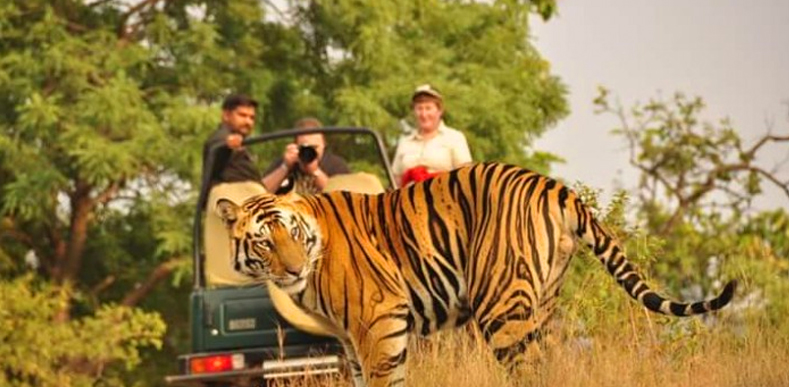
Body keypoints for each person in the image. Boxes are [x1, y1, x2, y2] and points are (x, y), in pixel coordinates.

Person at [391, 84, 472, 186]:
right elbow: (395, 180)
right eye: (419, 108)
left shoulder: (454, 138)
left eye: (428, 108)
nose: (424, 114)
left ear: (439, 111)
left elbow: (466, 179)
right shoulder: (405, 142)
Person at [262, 117, 350, 195]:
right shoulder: (284, 163)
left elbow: (345, 199)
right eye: (304, 147)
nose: (309, 152)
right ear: (295, 145)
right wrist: (284, 167)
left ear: (324, 144)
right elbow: (259, 194)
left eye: (314, 147)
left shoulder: (336, 165)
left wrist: (316, 172)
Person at [202, 93, 262, 190]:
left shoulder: (243, 146)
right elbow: (217, 148)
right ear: (226, 115)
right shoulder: (220, 138)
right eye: (242, 115)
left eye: (252, 118)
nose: (248, 122)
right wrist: (228, 145)